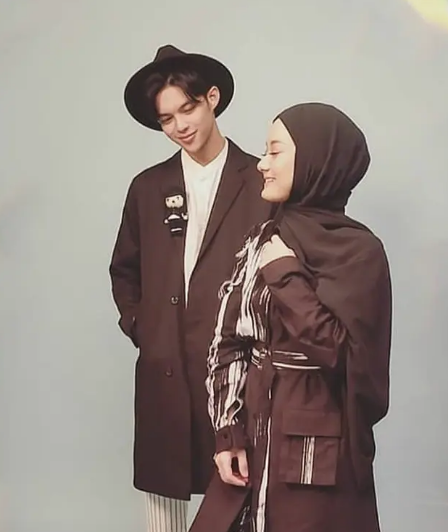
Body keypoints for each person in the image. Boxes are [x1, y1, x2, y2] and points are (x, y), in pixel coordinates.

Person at [189, 102, 392, 532]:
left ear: (318, 161)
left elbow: (343, 357)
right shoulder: (263, 239)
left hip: (315, 459)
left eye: (275, 151)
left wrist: (285, 276)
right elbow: (229, 341)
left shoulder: (360, 253)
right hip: (249, 442)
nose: (262, 163)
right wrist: (228, 434)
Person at [109, 45, 271, 532]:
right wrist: (146, 328)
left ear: (212, 99)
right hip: (166, 369)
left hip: (238, 372)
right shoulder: (147, 187)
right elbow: (124, 270)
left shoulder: (262, 181)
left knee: (244, 499)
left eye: (188, 108)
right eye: (166, 119)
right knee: (165, 495)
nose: (180, 126)